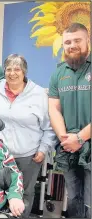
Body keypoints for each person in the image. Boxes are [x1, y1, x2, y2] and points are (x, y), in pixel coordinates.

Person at [0, 54, 57, 217]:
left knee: (24, 194)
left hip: (28, 156)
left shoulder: (39, 93)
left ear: (24, 72)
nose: (12, 73)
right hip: (1, 154)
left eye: (17, 69)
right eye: (8, 69)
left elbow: (49, 127)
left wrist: (43, 149)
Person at [48, 23, 91, 218]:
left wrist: (80, 138)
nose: (72, 45)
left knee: (91, 203)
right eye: (67, 42)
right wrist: (66, 139)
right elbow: (54, 108)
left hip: (87, 143)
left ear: (88, 40)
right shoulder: (58, 72)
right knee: (73, 199)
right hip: (68, 148)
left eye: (77, 40)